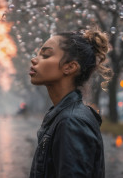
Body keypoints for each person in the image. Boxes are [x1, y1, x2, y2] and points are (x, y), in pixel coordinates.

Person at [29, 29, 111, 178]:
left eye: (46, 55)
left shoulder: (71, 122)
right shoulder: (64, 116)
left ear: (69, 67)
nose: (34, 60)